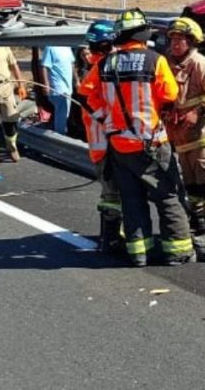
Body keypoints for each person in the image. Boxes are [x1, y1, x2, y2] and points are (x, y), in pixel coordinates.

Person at [80, 8, 195, 267]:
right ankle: (178, 251)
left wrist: (106, 120)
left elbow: (86, 95)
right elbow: (169, 95)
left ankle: (139, 253)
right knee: (167, 196)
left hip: (119, 144)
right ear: (143, 34)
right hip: (152, 142)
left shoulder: (105, 63)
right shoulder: (155, 60)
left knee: (131, 200)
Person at [164, 17, 205, 249]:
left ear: (191, 41)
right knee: (192, 186)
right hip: (181, 140)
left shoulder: (200, 64)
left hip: (202, 139)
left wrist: (196, 112)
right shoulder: (168, 64)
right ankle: (199, 223)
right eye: (172, 39)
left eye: (180, 39)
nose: (175, 44)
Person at [77, 20, 123, 254]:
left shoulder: (98, 65)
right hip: (108, 143)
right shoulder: (101, 67)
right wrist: (108, 120)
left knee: (112, 194)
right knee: (113, 194)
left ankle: (112, 237)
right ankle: (111, 240)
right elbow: (85, 97)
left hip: (102, 143)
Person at [40, 21, 77, 134]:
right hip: (58, 88)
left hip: (68, 87)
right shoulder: (51, 47)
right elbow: (44, 66)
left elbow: (72, 64)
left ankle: (60, 133)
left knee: (65, 113)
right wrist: (46, 85)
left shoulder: (67, 47)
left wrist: (77, 81)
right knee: (62, 113)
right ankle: (60, 136)